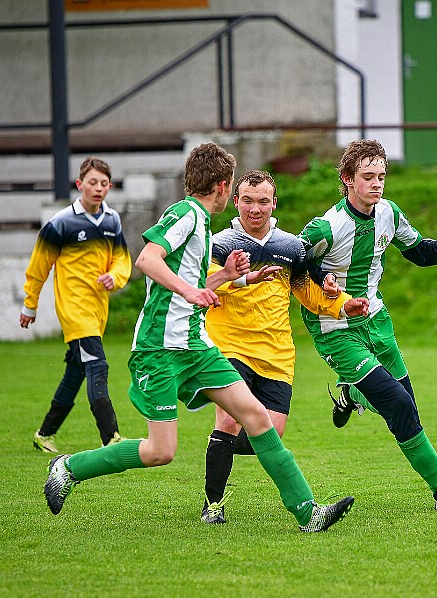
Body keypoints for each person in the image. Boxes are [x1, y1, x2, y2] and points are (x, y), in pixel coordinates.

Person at [42, 143, 355, 532]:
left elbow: (197, 280)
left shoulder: (203, 225)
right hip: (160, 346)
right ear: (225, 187)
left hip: (195, 344)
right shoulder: (186, 213)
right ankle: (69, 467)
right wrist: (190, 293)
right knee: (161, 451)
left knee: (256, 417)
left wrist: (231, 277)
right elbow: (147, 259)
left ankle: (309, 513)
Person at [298, 139, 437, 512]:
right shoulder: (328, 226)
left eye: (381, 176)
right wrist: (323, 277)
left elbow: (420, 251)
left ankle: (351, 396)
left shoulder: (388, 212)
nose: (376, 184)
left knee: (408, 410)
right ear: (347, 179)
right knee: (398, 404)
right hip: (336, 329)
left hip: (377, 322)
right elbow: (296, 258)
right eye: (367, 176)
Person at [200, 170, 370, 524]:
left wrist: (343, 305)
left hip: (276, 352)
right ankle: (212, 505)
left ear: (274, 203)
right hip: (229, 346)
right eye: (247, 200)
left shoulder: (291, 246)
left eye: (263, 201)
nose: (255, 209)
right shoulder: (220, 243)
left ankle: (219, 450)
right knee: (230, 420)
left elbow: (308, 291)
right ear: (236, 202)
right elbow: (204, 285)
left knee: (270, 433)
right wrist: (235, 278)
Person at [21, 157, 131, 453]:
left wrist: (115, 277)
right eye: (92, 183)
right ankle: (111, 437)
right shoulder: (61, 223)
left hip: (98, 311)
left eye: (104, 183)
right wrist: (29, 305)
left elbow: (122, 259)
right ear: (80, 185)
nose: (98, 188)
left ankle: (44, 434)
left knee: (77, 371)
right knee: (98, 365)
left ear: (110, 187)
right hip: (74, 310)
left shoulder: (111, 220)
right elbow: (38, 266)